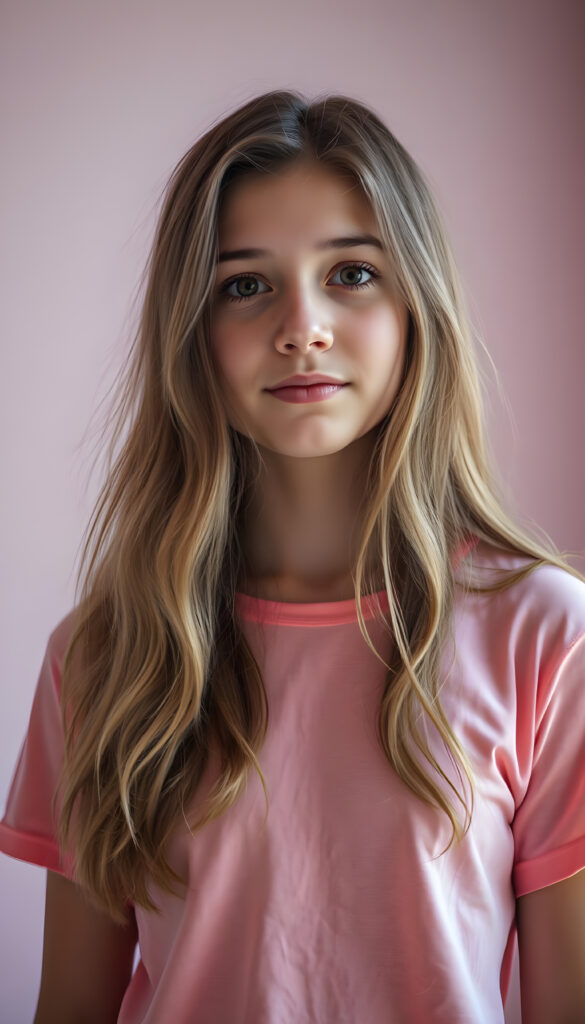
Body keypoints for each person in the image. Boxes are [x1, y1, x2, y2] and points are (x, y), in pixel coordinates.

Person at [1, 89, 584, 1024]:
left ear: (416, 307)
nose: (301, 326)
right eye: (244, 285)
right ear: (190, 335)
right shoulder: (105, 653)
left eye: (351, 273)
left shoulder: (548, 638)